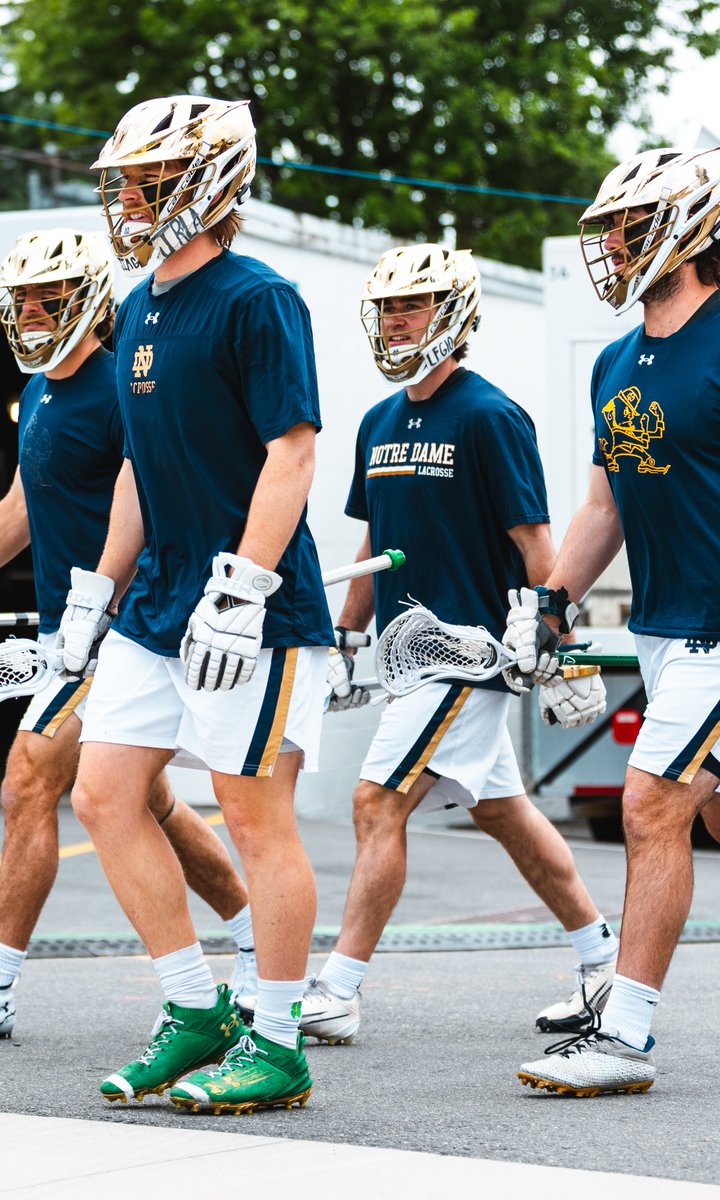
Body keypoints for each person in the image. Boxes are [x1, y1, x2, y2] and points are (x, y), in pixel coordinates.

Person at [0, 227, 256, 1040]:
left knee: (29, 780)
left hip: (121, 627)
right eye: (18, 299)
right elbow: (24, 502)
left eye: (44, 298)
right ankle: (254, 935)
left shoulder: (124, 388)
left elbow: (160, 498)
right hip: (68, 632)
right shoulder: (41, 393)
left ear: (86, 298)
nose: (28, 313)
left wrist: (109, 602)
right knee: (150, 803)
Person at [58, 94, 333, 1114]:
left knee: (255, 820)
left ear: (209, 183)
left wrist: (245, 585)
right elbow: (139, 465)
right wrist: (98, 587)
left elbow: (293, 451)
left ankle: (278, 1039)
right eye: (125, 180)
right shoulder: (137, 305)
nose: (127, 199)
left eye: (149, 179)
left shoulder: (260, 298)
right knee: (101, 794)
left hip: (245, 603)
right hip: (158, 598)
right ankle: (195, 1010)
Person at [301, 243, 615, 1047]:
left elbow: (536, 542)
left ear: (454, 314)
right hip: (407, 666)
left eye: (410, 305)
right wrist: (342, 638)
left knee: (377, 803)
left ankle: (337, 990)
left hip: (469, 658)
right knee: (506, 814)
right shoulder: (377, 421)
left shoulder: (490, 415)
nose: (394, 321)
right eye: (386, 309)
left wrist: (559, 646)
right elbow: (377, 541)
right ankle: (601, 961)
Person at [510, 145, 720, 1096]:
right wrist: (550, 598)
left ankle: (624, 1034)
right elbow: (606, 506)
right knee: (708, 813)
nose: (615, 248)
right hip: (663, 622)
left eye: (631, 228)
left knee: (650, 802)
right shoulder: (615, 357)